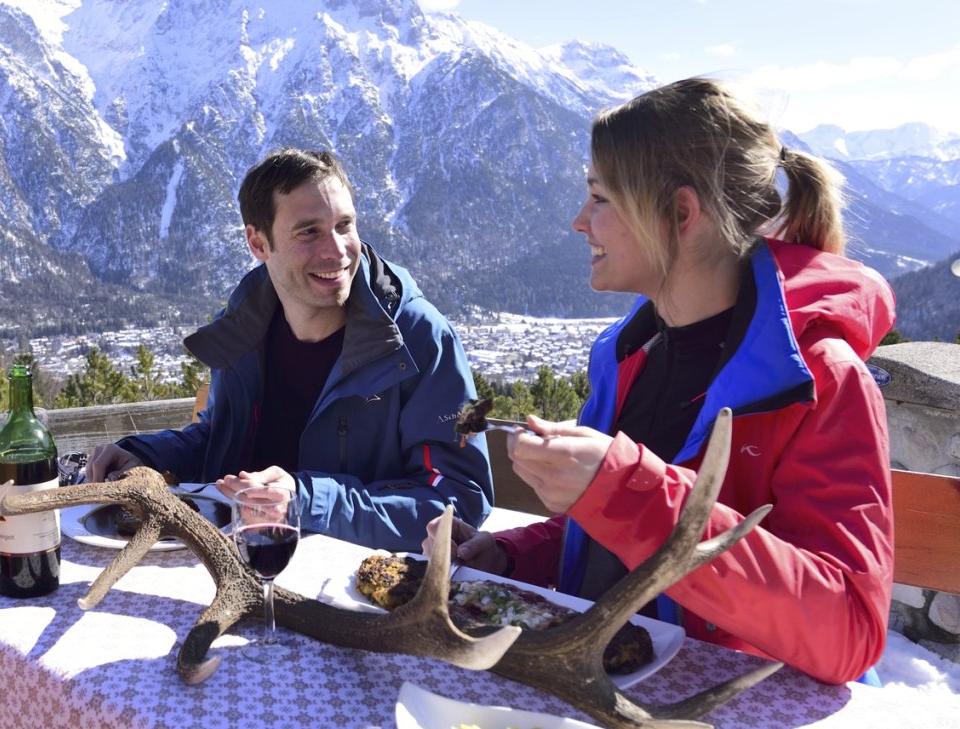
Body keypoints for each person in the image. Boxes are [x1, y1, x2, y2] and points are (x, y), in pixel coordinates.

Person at [428, 78, 895, 685]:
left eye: (599, 198)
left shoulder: (819, 380)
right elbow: (613, 537)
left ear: (679, 213)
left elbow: (848, 630)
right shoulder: (626, 357)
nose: (578, 221)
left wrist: (627, 489)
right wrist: (513, 555)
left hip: (723, 705)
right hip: (601, 689)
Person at [86, 148, 492, 552]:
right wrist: (144, 455)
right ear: (258, 243)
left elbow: (460, 501)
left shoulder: (418, 340)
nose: (336, 251)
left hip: (351, 589)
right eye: (308, 232)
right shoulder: (245, 327)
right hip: (234, 564)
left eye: (345, 225)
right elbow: (219, 440)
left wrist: (306, 500)